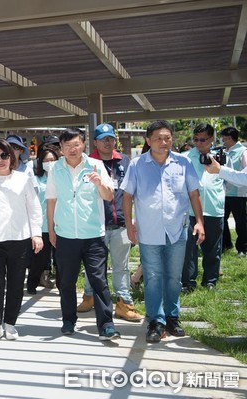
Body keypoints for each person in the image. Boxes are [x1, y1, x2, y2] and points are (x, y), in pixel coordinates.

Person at [121, 120, 205, 344]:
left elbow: (194, 194)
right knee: (153, 277)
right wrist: (130, 225)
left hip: (177, 231)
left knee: (174, 277)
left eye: (167, 137)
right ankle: (155, 321)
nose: (163, 142)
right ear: (148, 140)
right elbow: (127, 196)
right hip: (149, 233)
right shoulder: (137, 165)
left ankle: (172, 317)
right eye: (158, 138)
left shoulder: (183, 163)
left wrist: (199, 222)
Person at [46, 127, 121, 341]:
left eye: (76, 145)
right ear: (61, 148)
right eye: (67, 146)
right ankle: (68, 320)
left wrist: (99, 183)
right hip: (66, 235)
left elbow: (108, 196)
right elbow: (51, 201)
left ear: (84, 145)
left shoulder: (95, 165)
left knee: (98, 280)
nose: (72, 149)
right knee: (66, 281)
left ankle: (106, 325)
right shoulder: (55, 169)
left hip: (93, 236)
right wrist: (51, 230)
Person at [0, 139, 43, 343]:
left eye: (4, 155)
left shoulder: (23, 179)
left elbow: (34, 208)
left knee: (15, 283)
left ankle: (10, 323)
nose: (0, 160)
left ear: (11, 157)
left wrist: (36, 234)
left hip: (19, 240)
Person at [76, 124, 142, 322]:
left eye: (111, 138)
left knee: (121, 267)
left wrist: (133, 221)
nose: (108, 142)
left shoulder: (125, 161)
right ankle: (89, 297)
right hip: (95, 226)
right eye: (103, 138)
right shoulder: (86, 163)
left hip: (121, 222)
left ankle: (124, 303)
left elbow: (133, 191)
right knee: (94, 266)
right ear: (94, 142)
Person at [181, 124, 226, 292]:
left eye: (203, 140)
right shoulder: (185, 158)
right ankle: (188, 282)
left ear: (212, 139)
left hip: (214, 209)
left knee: (213, 249)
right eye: (196, 139)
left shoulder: (221, 157)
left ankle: (210, 281)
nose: (199, 143)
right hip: (191, 211)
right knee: (189, 249)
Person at [26, 145, 58, 295]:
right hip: (43, 225)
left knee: (60, 259)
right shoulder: (36, 180)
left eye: (52, 160)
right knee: (40, 258)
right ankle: (32, 284)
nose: (49, 163)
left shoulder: (61, 177)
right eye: (46, 160)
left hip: (61, 225)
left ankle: (62, 285)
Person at [219, 127, 247, 256]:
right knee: (222, 220)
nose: (222, 140)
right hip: (224, 193)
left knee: (240, 221)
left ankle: (243, 248)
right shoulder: (224, 151)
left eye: (224, 138)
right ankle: (226, 245)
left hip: (238, 193)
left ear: (229, 138)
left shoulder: (243, 151)